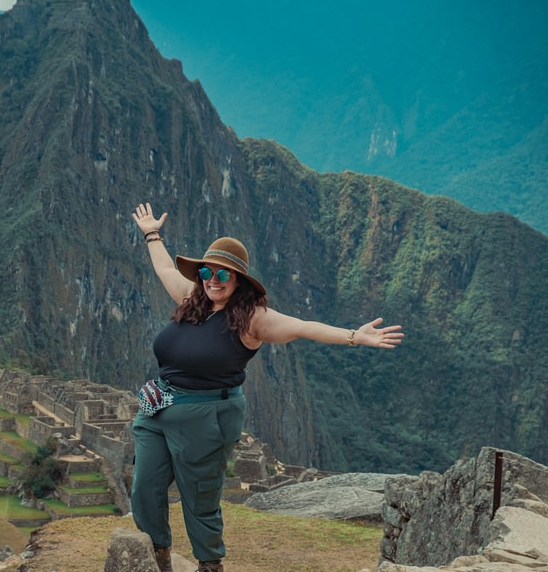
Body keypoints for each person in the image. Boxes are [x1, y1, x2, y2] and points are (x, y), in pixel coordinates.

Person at [129, 202, 404, 572]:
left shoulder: (252, 320)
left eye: (223, 275)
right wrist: (151, 233)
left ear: (238, 280)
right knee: (144, 486)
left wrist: (355, 336)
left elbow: (305, 326)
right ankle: (157, 553)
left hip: (207, 415)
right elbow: (163, 266)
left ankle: (209, 563)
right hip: (158, 407)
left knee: (200, 496)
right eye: (207, 272)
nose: (213, 280)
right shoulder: (190, 299)